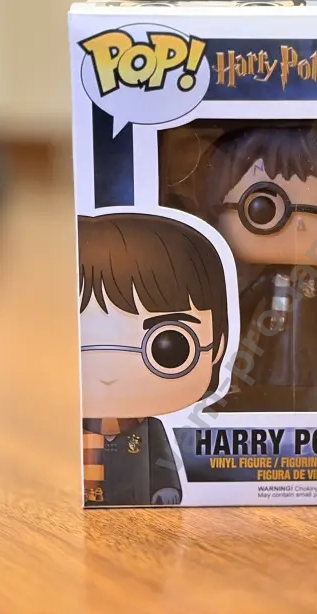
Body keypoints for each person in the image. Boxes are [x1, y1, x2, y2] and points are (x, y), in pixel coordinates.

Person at [203, 124, 317, 410]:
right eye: (262, 208)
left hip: (309, 342)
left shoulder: (315, 278)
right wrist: (231, 325)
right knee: (267, 364)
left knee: (311, 366)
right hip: (270, 339)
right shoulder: (270, 279)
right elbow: (246, 302)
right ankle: (266, 391)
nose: (300, 224)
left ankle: (311, 393)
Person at [79, 213, 229, 506]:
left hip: (141, 502)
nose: (108, 374)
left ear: (218, 347)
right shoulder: (68, 432)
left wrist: (167, 487)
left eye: (168, 346)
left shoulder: (149, 428)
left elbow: (163, 464)